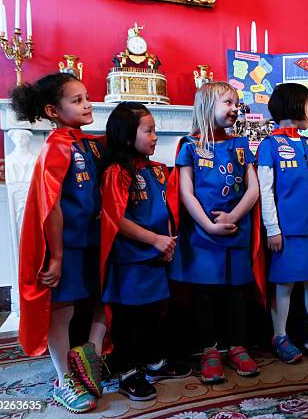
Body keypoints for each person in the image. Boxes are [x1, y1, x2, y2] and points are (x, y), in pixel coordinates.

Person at [12, 73, 107, 413]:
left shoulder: (87, 142)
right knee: (62, 311)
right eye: (77, 100)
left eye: (87, 97)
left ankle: (90, 354)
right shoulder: (57, 147)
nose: (87, 104)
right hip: (66, 246)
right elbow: (50, 206)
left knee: (105, 295)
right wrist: (56, 257)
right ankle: (63, 378)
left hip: (95, 241)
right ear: (53, 110)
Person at [100, 102, 191, 402]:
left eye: (155, 131)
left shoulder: (156, 171)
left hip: (156, 257)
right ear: (128, 137)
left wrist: (167, 242)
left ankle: (154, 361)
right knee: (130, 318)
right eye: (148, 131)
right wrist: (153, 240)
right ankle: (128, 371)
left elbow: (165, 209)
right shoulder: (117, 172)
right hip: (130, 261)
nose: (154, 137)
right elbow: (116, 218)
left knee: (153, 313)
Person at [172, 82, 261, 383]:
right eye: (228, 103)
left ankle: (237, 346)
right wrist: (209, 225)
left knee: (237, 290)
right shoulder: (189, 146)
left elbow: (253, 189)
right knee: (205, 293)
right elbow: (186, 193)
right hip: (202, 233)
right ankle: (209, 350)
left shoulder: (241, 144)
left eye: (236, 104)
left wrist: (233, 216)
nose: (235, 109)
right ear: (207, 106)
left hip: (236, 228)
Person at [257, 83, 308, 363]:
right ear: (293, 106)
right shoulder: (269, 146)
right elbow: (265, 191)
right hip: (287, 231)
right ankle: (279, 335)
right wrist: (273, 229)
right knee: (285, 284)